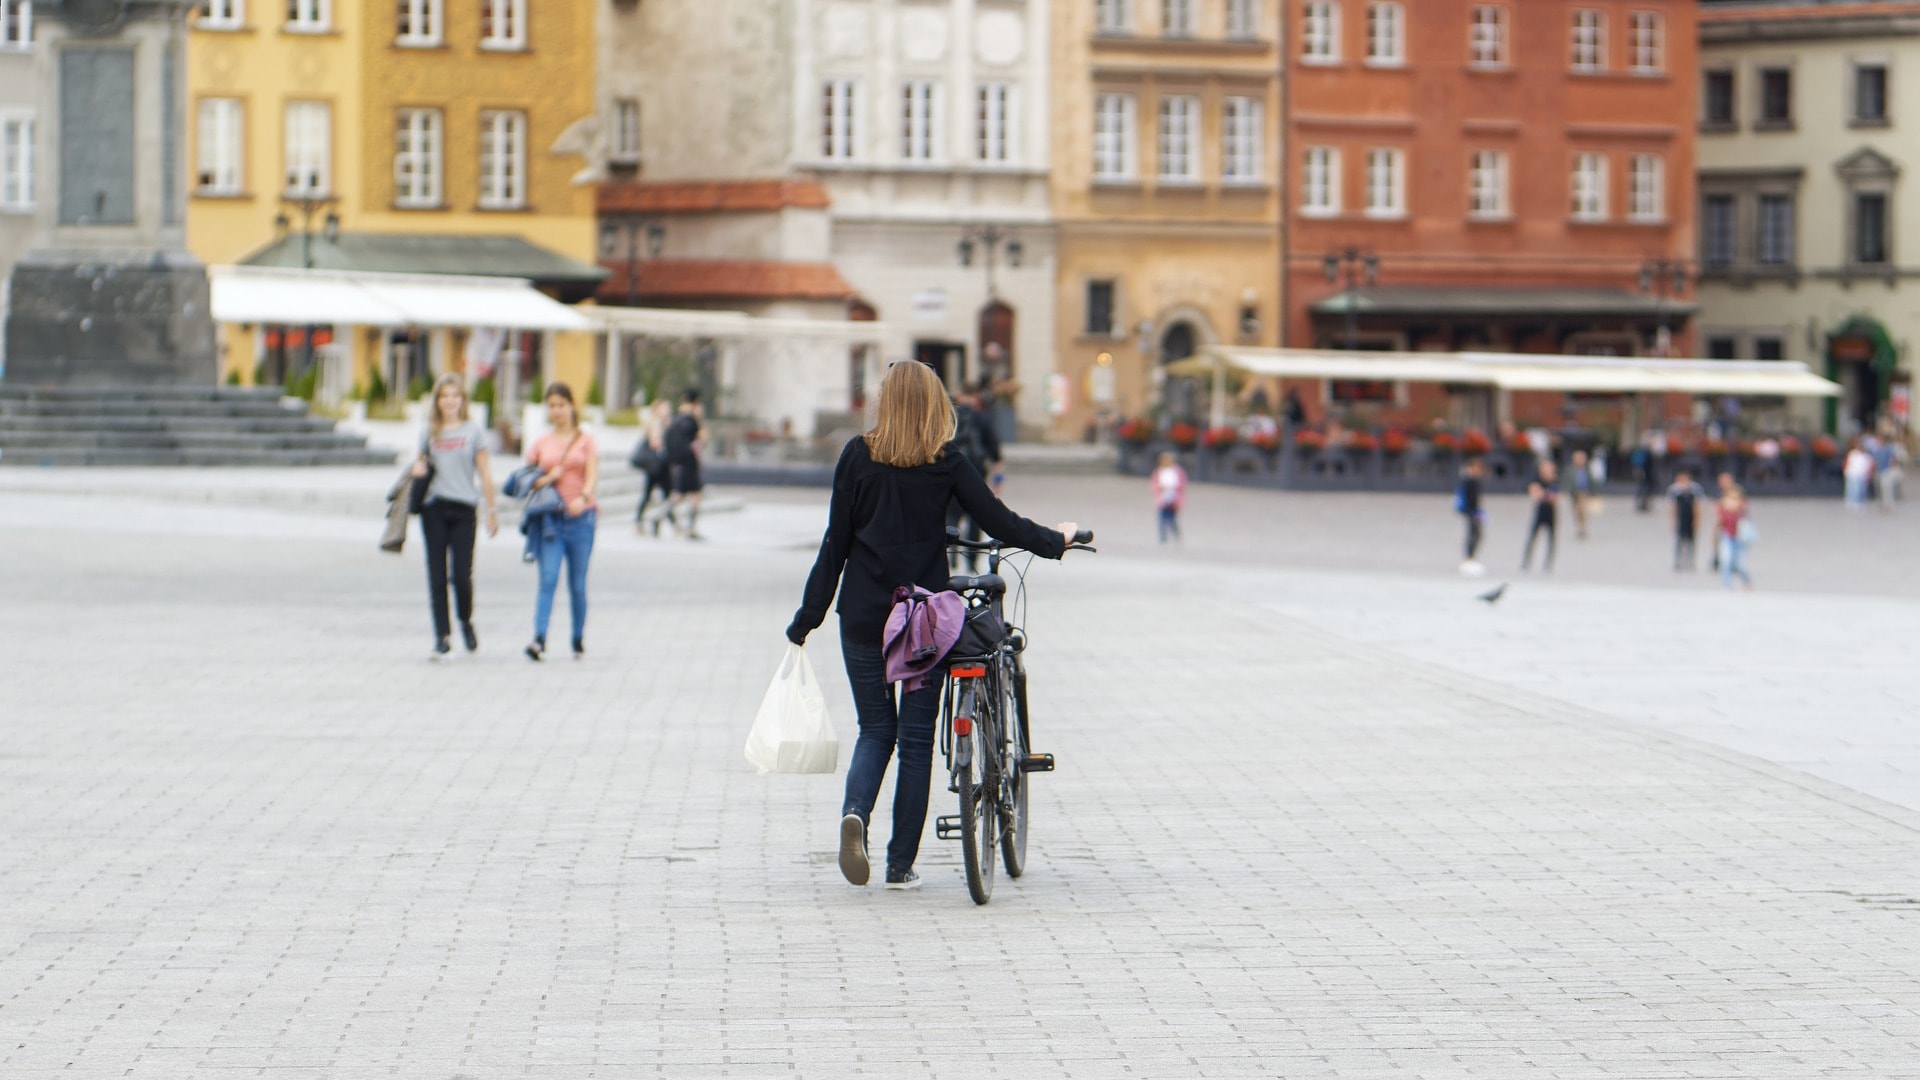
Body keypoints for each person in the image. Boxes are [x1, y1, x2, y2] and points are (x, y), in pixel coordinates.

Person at [785, 360, 1077, 893]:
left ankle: (855, 813)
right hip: (923, 624)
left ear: (886, 401)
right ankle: (899, 866)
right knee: (916, 742)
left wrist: (808, 617)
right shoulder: (946, 462)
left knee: (876, 730)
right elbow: (1000, 521)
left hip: (864, 618)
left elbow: (835, 543)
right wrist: (1056, 540)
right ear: (935, 404)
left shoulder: (856, 455)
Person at [412, 374, 499, 659]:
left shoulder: (473, 432)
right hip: (434, 508)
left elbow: (485, 472)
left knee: (461, 575)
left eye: (455, 395)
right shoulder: (429, 432)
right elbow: (420, 465)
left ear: (462, 399)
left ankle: (465, 620)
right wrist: (417, 469)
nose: (449, 401)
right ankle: (442, 636)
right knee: (436, 575)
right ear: (437, 401)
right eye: (444, 396)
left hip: (464, 509)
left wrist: (491, 511)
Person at [524, 383, 599, 661]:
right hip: (551, 521)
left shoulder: (586, 440)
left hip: (582, 518)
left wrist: (583, 497)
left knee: (577, 584)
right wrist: (547, 477)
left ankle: (577, 638)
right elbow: (527, 480)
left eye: (561, 405)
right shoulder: (541, 443)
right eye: (552, 406)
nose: (556, 411)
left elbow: (592, 474)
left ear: (571, 406)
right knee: (548, 578)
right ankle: (539, 639)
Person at [946, 385, 1003, 570]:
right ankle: (971, 561)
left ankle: (951, 553)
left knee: (951, 516)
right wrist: (998, 479)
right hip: (976, 474)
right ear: (976, 396)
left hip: (950, 474)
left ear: (959, 395)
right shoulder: (981, 417)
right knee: (975, 519)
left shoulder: (948, 417)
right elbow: (995, 451)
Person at [650, 389, 706, 539]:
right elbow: (702, 438)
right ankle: (686, 527)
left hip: (677, 461)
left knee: (684, 493)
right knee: (686, 494)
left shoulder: (675, 417)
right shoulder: (692, 419)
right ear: (696, 402)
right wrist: (700, 419)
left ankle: (660, 517)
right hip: (689, 460)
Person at [632, 399, 673, 533]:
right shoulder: (655, 423)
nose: (667, 411)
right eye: (665, 408)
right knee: (655, 494)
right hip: (655, 464)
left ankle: (654, 521)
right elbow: (655, 442)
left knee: (662, 494)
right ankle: (643, 521)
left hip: (660, 464)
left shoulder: (664, 423)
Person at [1520, 459, 1560, 572]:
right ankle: (1526, 561)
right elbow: (1535, 495)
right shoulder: (1537, 480)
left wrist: (1544, 495)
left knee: (1551, 538)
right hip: (1540, 512)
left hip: (1551, 513)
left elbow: (1554, 498)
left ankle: (1548, 563)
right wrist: (1545, 495)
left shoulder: (1554, 481)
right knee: (1533, 537)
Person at [1666, 467, 1706, 571]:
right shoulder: (1674, 490)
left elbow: (1697, 505)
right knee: (1679, 540)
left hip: (1690, 517)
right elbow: (1672, 506)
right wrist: (1673, 520)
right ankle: (1678, 561)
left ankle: (1690, 561)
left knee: (1691, 541)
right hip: (1681, 517)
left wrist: (1697, 519)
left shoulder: (1695, 489)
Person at [1717, 485, 1753, 590]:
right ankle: (1726, 584)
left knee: (1741, 563)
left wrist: (1739, 509)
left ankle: (1746, 580)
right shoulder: (1723, 509)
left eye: (1736, 498)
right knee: (1726, 560)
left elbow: (1744, 520)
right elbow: (1721, 521)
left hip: (1739, 538)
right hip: (1727, 537)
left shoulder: (1741, 509)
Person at [1457, 456, 1486, 576]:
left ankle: (1471, 558)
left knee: (1477, 535)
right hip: (1471, 512)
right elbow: (1471, 499)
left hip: (1475, 511)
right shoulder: (1469, 480)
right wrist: (1474, 512)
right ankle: (1469, 559)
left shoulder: (1474, 480)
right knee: (1473, 534)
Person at [1152, 450, 1187, 545]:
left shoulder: (1177, 472)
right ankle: (1163, 539)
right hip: (1162, 499)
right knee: (1161, 520)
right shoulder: (1159, 472)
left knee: (1172, 520)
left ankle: (1176, 535)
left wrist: (1173, 487)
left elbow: (1182, 484)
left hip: (1173, 499)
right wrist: (1160, 487)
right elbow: (1154, 484)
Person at [1568, 448, 1595, 539]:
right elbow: (1567, 481)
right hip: (1575, 493)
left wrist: (1593, 491)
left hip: (1584, 493)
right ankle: (1580, 527)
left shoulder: (1587, 469)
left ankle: (1583, 528)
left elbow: (1592, 481)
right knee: (1577, 512)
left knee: (1582, 511)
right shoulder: (1571, 470)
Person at [1843, 438, 1874, 512]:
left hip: (1862, 474)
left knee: (1862, 489)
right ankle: (1852, 502)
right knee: (1853, 489)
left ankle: (1860, 502)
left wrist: (1869, 473)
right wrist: (1846, 471)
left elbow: (1870, 465)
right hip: (1853, 474)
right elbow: (1847, 463)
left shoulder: (1866, 456)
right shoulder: (1852, 454)